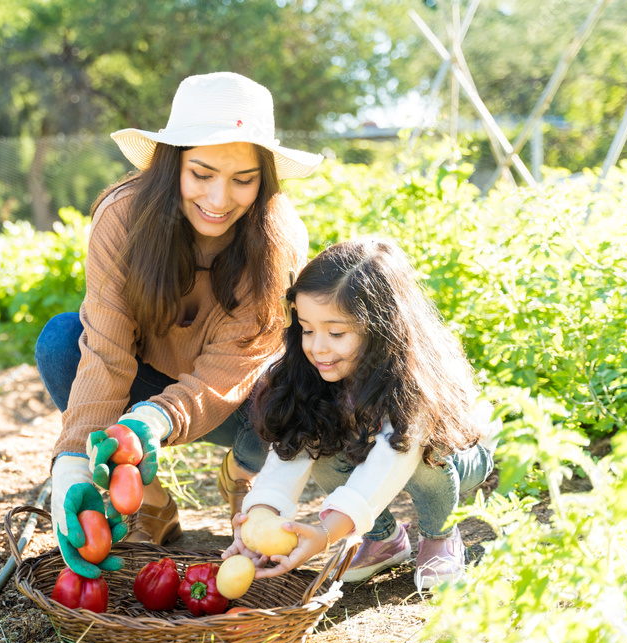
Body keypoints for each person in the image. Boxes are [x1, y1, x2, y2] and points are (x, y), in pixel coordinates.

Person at [37, 71, 324, 579]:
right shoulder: (122, 218)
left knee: (292, 378)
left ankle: (244, 471)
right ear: (174, 164)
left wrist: (154, 420)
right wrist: (73, 463)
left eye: (243, 180)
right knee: (62, 343)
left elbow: (234, 365)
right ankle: (145, 497)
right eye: (202, 172)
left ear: (264, 178)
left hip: (234, 399)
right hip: (144, 375)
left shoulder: (278, 240)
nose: (219, 199)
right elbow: (106, 351)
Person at [221, 238, 500, 589]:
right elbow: (291, 452)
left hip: (456, 457)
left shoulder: (412, 381)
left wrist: (325, 533)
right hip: (370, 446)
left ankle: (439, 535)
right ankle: (384, 539)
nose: (317, 346)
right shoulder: (313, 371)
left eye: (336, 332)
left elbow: (394, 455)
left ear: (380, 328)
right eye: (307, 329)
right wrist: (260, 516)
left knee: (427, 454)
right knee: (321, 446)